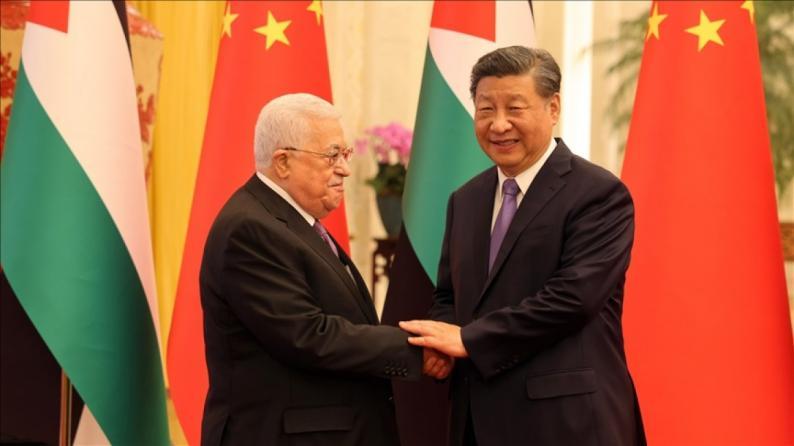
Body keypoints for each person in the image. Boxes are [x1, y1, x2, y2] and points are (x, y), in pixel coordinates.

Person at [400, 46, 646, 446]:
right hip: (477, 420)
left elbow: (573, 299)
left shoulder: (598, 194)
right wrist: (442, 343)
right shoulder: (465, 199)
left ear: (553, 107)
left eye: (515, 108)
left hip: (565, 423)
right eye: (485, 110)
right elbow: (449, 295)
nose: (499, 125)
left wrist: (469, 341)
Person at [200, 93, 451, 446]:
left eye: (345, 154)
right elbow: (307, 335)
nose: (345, 169)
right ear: (283, 162)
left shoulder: (290, 221)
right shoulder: (250, 228)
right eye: (332, 156)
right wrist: (414, 349)